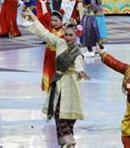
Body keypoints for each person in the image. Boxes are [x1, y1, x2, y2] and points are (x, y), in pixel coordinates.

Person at [23, 9, 88, 147]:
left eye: (71, 35)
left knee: (71, 115)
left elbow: (78, 63)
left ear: (76, 36)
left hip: (72, 84)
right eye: (66, 35)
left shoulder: (77, 51)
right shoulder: (59, 42)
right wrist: (34, 17)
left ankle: (67, 139)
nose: (68, 37)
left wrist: (80, 71)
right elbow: (44, 34)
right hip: (59, 83)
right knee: (59, 112)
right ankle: (68, 140)